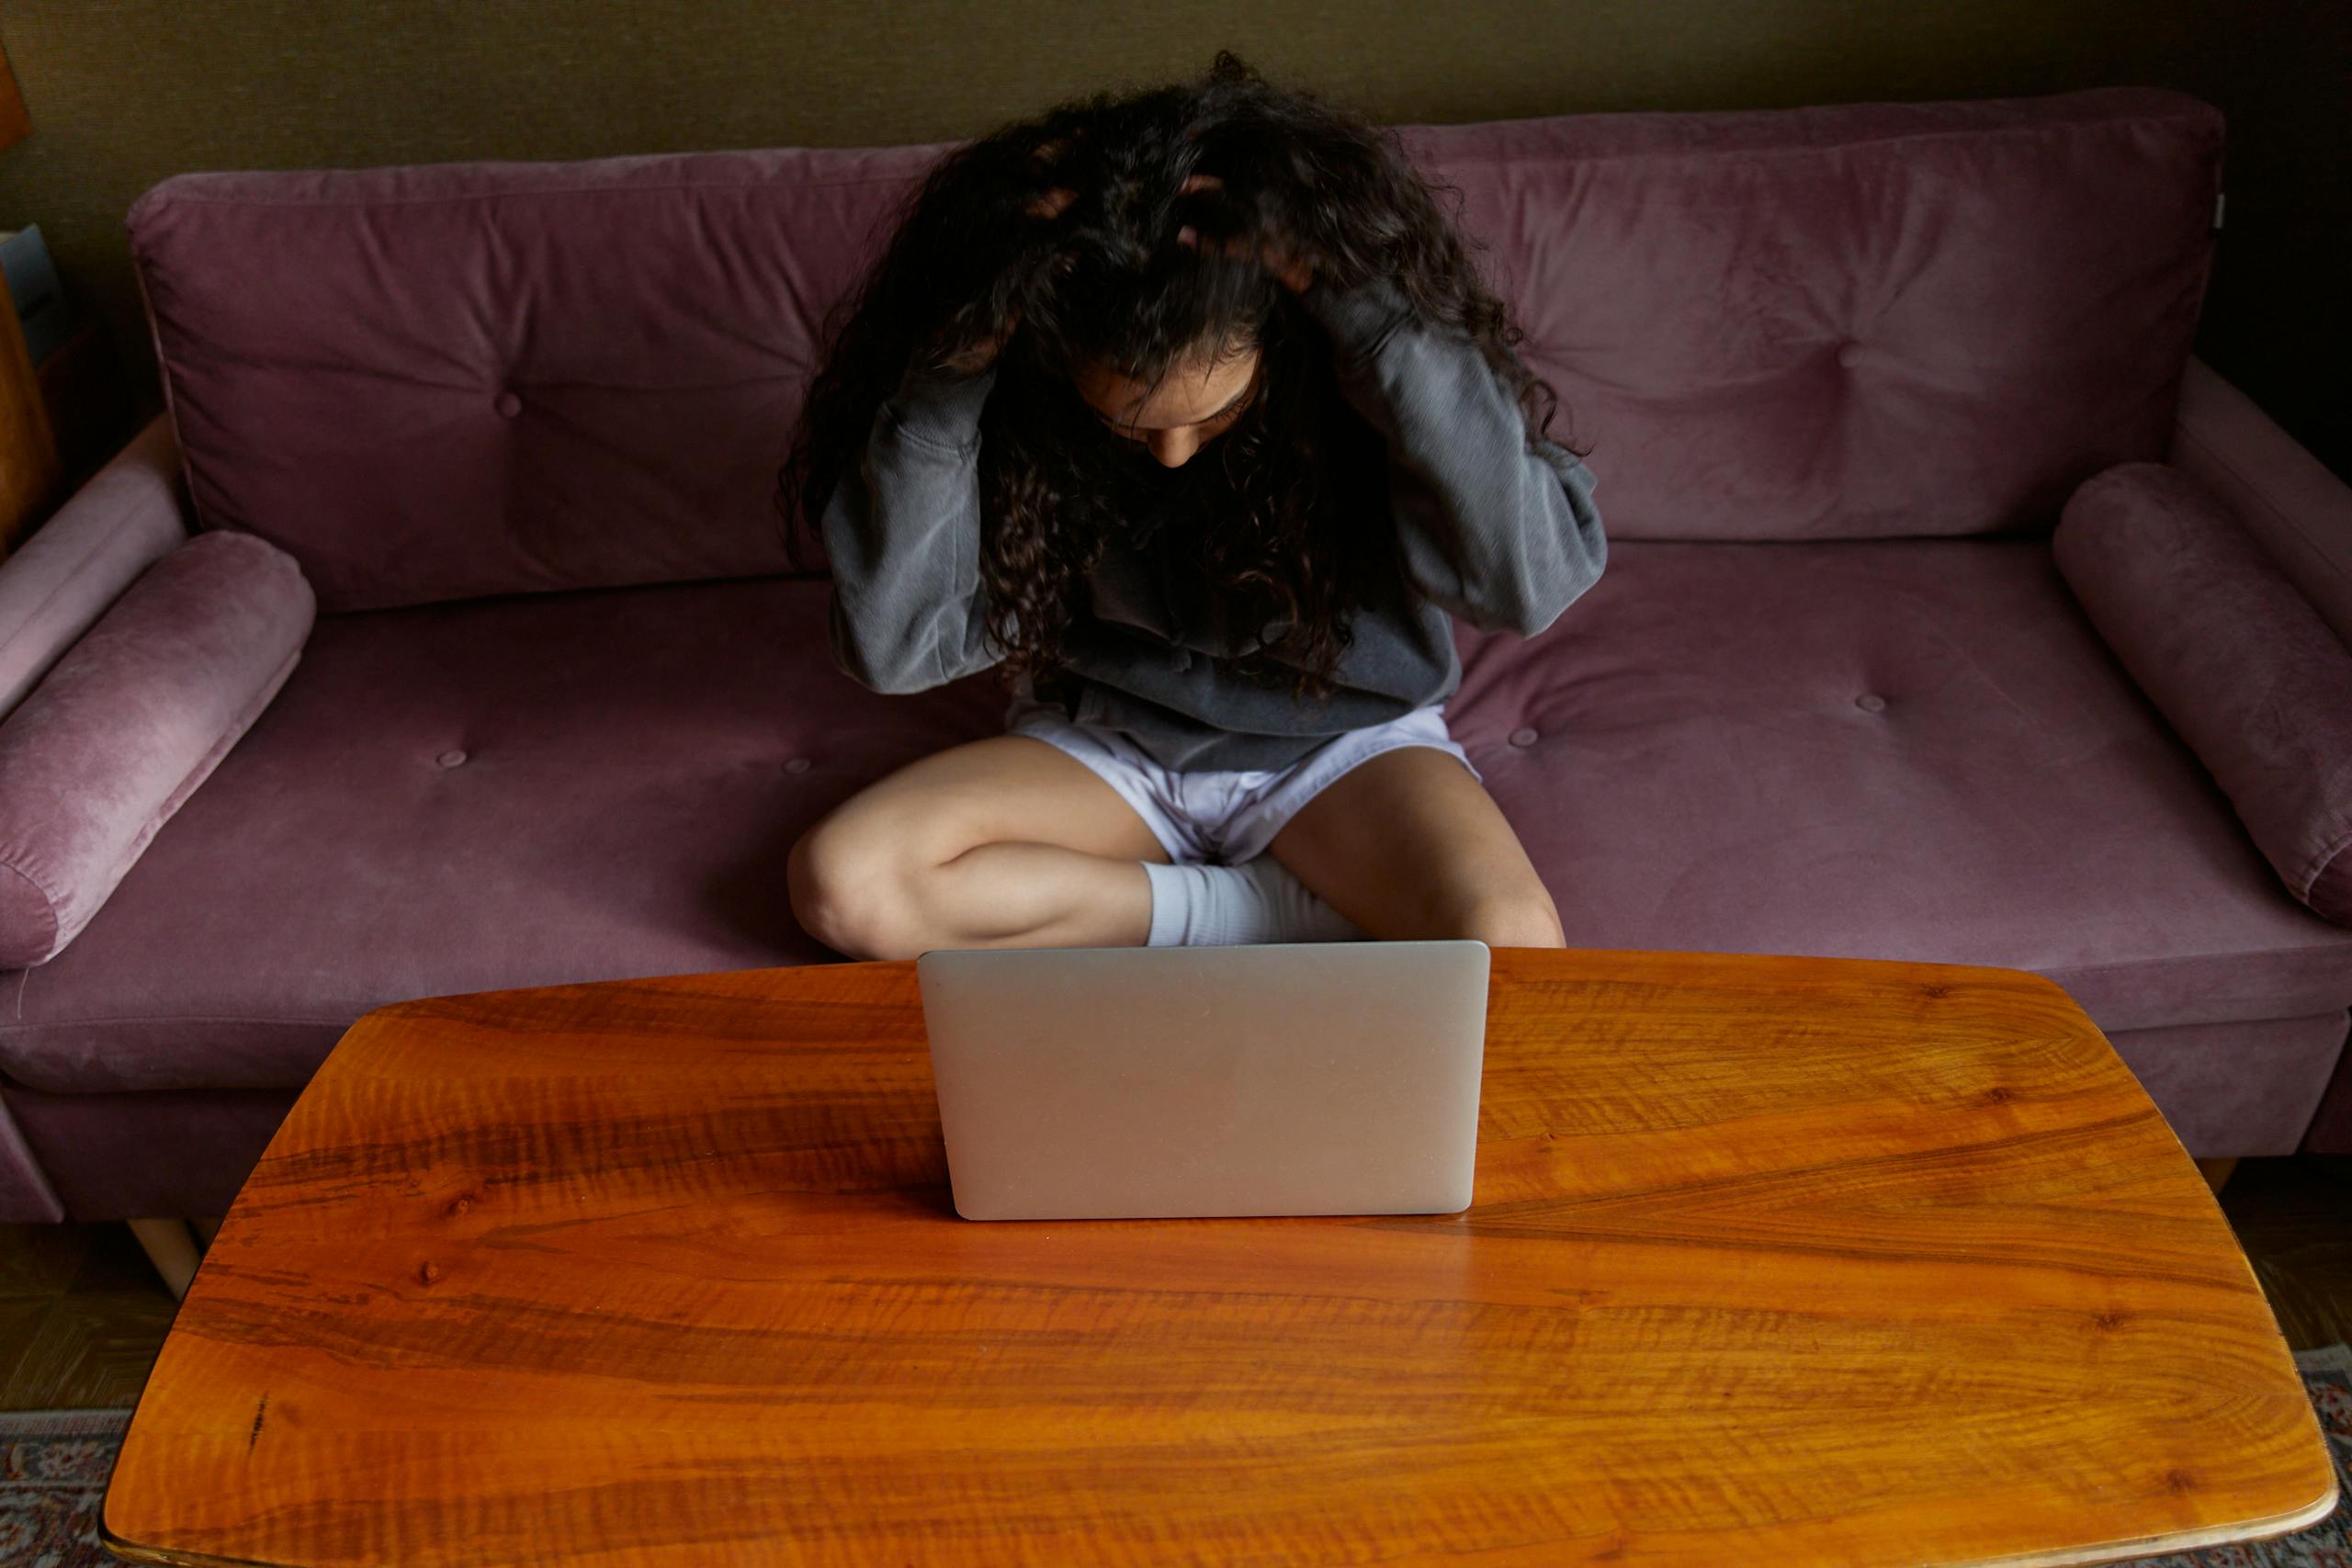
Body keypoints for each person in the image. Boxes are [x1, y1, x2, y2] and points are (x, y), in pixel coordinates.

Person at [775, 52, 1605, 958]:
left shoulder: (1350, 372)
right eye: (1128, 427)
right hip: (1111, 747)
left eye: (1208, 417)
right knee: (846, 885)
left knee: (1514, 941)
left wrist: (1376, 322)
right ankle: (1267, 913)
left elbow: (1530, 584)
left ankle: (1228, 910)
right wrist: (954, 369)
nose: (1170, 454)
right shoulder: (1023, 394)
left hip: (1341, 750)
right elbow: (897, 649)